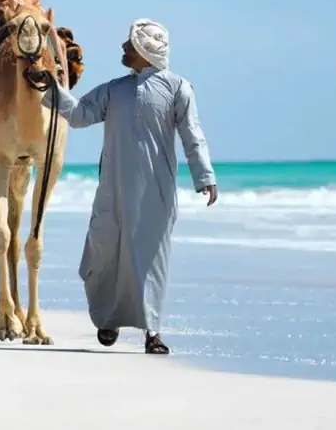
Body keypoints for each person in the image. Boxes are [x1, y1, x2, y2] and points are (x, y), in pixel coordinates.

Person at [35, 18, 217, 354]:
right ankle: (109, 320)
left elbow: (192, 135)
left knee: (150, 258)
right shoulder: (114, 89)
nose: (122, 48)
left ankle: (153, 332)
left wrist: (204, 176)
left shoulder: (178, 88)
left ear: (146, 51)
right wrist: (50, 89)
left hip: (155, 191)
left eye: (129, 44)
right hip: (112, 188)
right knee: (106, 251)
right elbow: (79, 115)